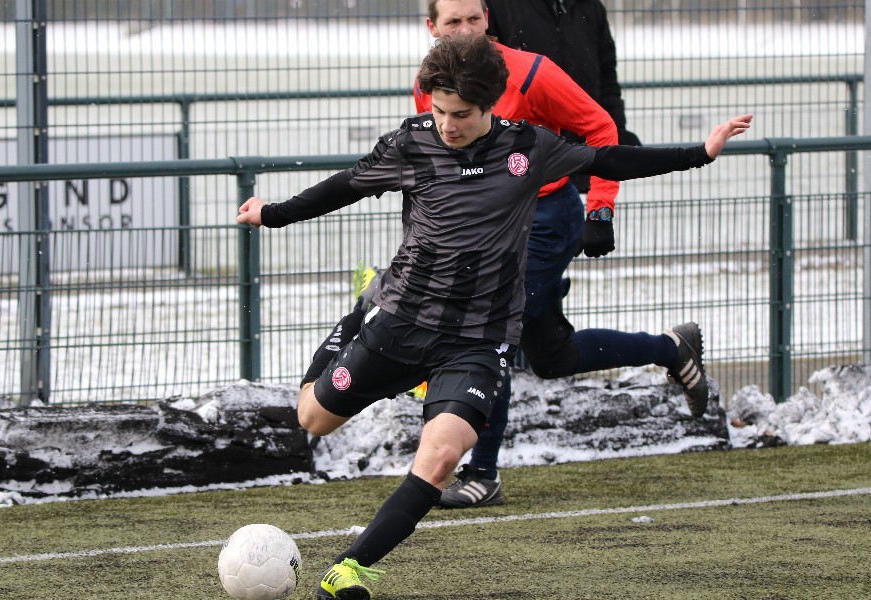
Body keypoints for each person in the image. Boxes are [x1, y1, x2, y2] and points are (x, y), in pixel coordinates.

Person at [237, 33, 752, 599]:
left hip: (477, 342)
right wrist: (274, 213)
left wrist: (698, 153)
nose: (447, 125)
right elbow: (344, 187)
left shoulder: (528, 148)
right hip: (402, 321)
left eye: (460, 114)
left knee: (440, 459)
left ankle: (345, 573)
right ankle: (362, 310)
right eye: (438, 111)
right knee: (313, 419)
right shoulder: (410, 143)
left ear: (491, 107)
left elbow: (609, 157)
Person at [440, 0, 644, 508]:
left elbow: (602, 120)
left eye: (472, 19)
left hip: (547, 222)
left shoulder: (532, 70)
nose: (465, 30)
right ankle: (671, 349)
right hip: (489, 231)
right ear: (432, 28)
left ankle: (481, 473)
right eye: (452, 21)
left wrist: (601, 205)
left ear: (488, 20)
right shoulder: (430, 81)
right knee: (552, 355)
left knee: (489, 337)